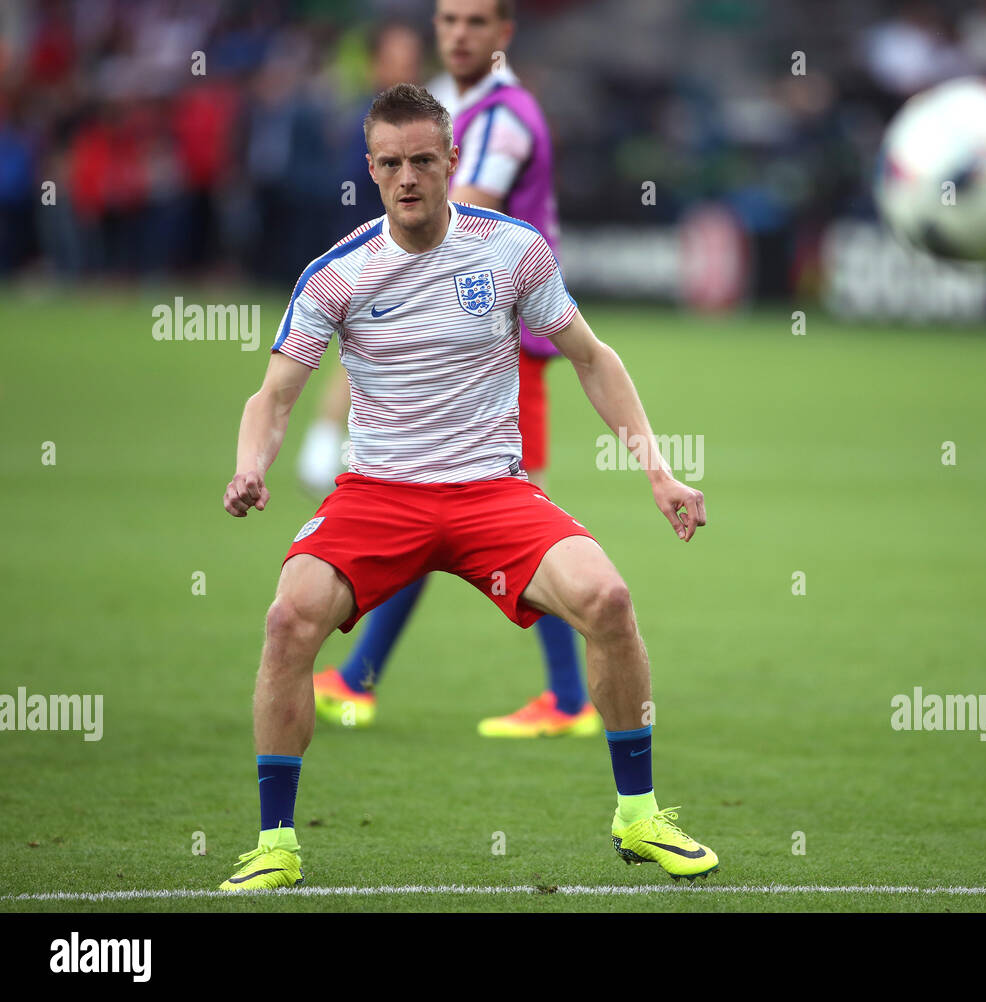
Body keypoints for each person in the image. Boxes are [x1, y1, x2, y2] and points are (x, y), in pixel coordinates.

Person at [219, 84, 718, 890]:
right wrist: (251, 465)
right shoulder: (336, 275)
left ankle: (640, 816)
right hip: (378, 493)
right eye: (390, 163)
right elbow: (271, 396)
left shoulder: (512, 250)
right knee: (287, 621)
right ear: (372, 170)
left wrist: (656, 470)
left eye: (423, 160)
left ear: (452, 161)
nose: (408, 177)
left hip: (491, 492)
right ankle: (277, 841)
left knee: (611, 602)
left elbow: (592, 356)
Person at [303, 0, 595, 737]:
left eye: (476, 22)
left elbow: (455, 233)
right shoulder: (459, 110)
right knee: (443, 499)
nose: (459, 34)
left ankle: (565, 698)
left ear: (505, 34)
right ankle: (360, 677)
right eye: (448, 20)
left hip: (497, 347)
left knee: (492, 508)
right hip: (485, 342)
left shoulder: (502, 119)